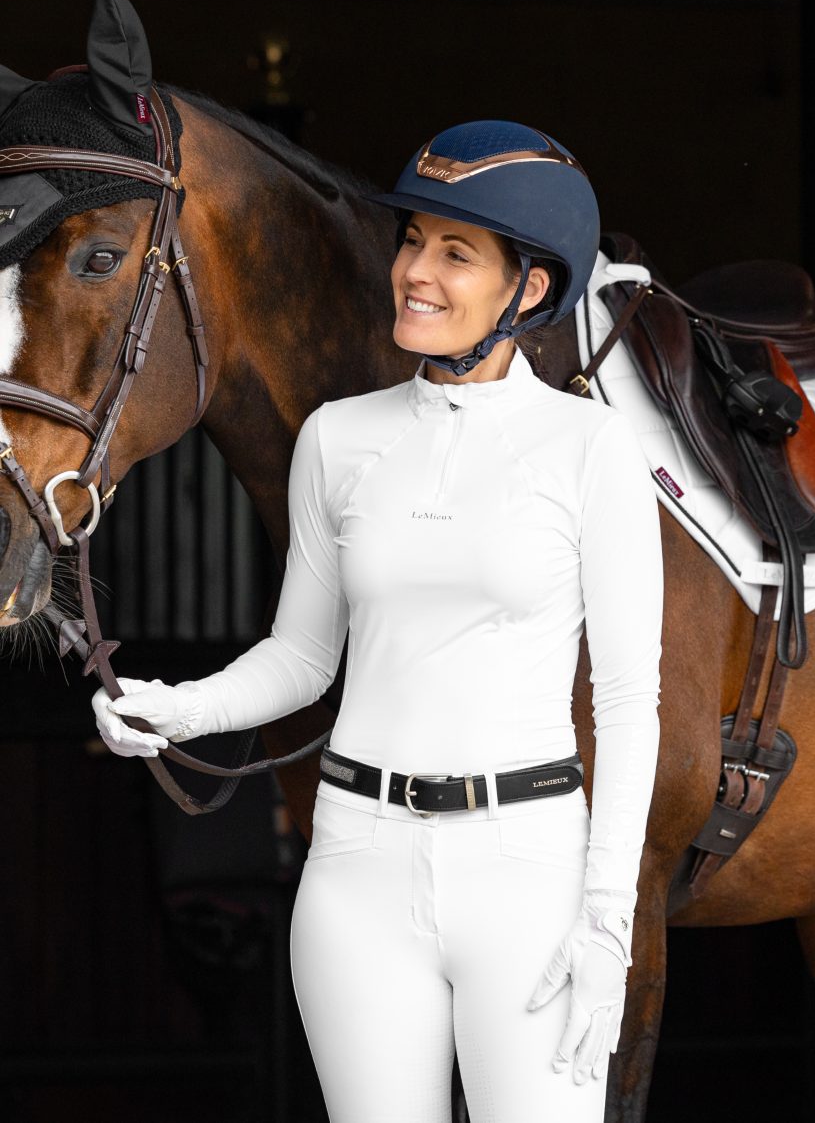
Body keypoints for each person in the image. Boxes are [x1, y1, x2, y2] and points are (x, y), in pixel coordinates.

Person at [92, 120, 663, 1122]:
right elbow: (302, 657)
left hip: (526, 870)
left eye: (456, 252)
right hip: (356, 866)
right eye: (412, 240)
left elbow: (626, 700)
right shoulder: (337, 439)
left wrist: (607, 919)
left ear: (529, 287)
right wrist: (177, 709)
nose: (414, 272)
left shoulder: (592, 448)